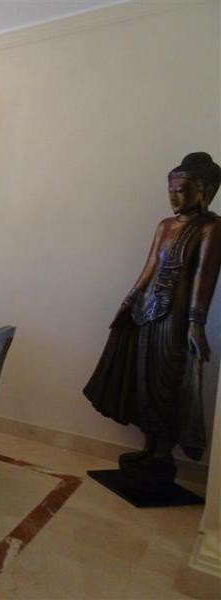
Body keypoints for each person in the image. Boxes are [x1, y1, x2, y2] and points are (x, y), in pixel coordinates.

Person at [83, 152, 221, 483]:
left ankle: (162, 454)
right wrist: (129, 300)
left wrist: (196, 323)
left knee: (168, 383)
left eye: (180, 190)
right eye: (170, 190)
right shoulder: (165, 226)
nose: (173, 197)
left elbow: (204, 279)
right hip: (147, 310)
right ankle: (148, 447)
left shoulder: (211, 228)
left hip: (177, 318)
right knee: (143, 378)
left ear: (202, 190)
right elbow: (149, 268)